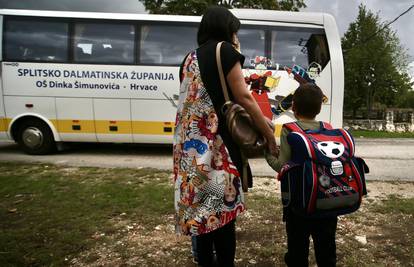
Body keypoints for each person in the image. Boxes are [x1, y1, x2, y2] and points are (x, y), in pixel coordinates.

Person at [173, 6, 278, 267]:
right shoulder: (225, 52)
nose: (235, 34)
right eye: (234, 29)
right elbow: (243, 97)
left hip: (189, 152)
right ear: (227, 29)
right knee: (223, 217)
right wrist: (268, 133)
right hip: (218, 148)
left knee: (202, 216)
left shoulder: (188, 59)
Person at [265, 83, 338, 267]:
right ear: (319, 108)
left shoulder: (290, 130)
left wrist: (267, 152)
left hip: (299, 205)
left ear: (294, 108)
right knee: (327, 249)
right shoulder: (327, 127)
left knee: (297, 251)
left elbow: (281, 166)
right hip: (326, 202)